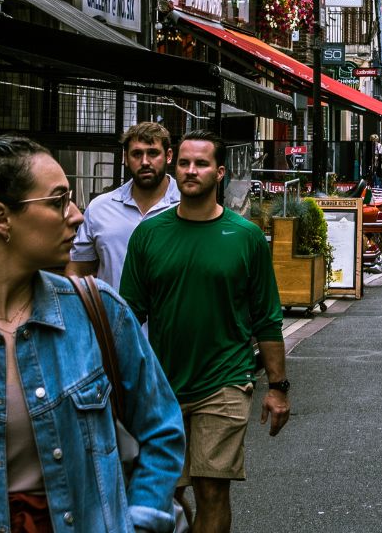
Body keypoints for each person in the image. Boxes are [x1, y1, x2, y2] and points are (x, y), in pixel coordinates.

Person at [0, 132, 184, 533]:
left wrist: (138, 520)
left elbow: (162, 430)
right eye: (57, 201)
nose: (77, 215)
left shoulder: (97, 310)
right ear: (1, 219)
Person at [121, 131, 289, 533]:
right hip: (163, 386)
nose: (190, 170)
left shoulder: (245, 236)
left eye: (200, 163)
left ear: (219, 172)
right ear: (174, 168)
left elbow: (266, 317)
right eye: (184, 163)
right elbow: (127, 315)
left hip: (226, 380)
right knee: (167, 493)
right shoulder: (149, 234)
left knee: (212, 490)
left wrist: (278, 387)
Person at [66, 120, 179, 290]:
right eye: (137, 154)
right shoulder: (100, 209)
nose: (145, 162)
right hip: (112, 315)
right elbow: (78, 271)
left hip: (170, 316)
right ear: (125, 158)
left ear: (168, 156)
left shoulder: (187, 205)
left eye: (153, 153)